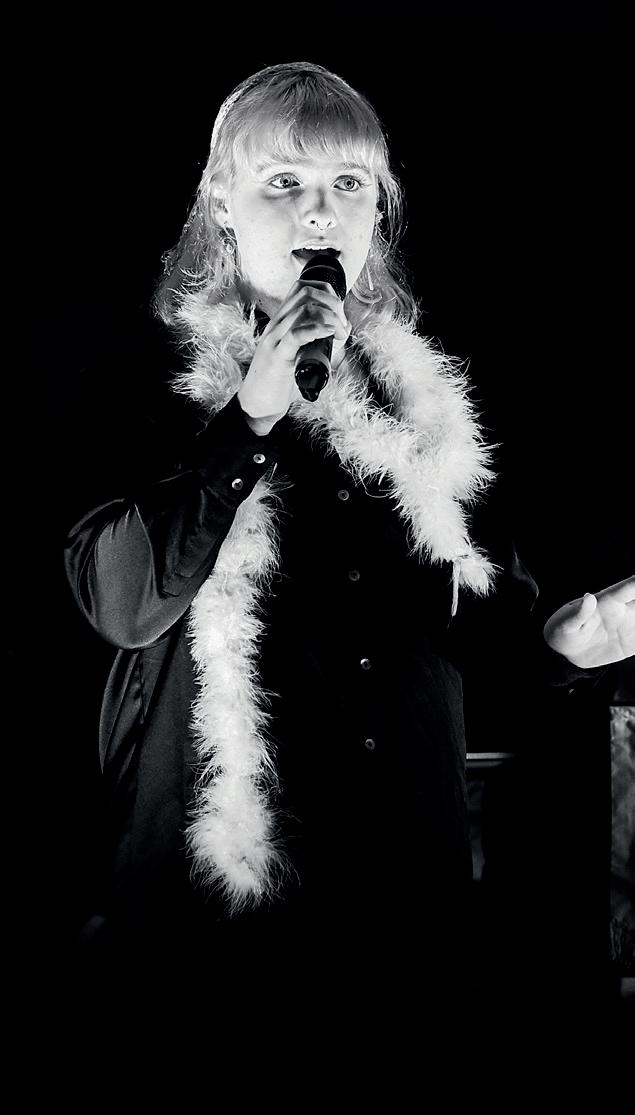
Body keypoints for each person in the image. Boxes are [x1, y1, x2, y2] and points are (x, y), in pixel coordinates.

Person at [64, 62, 634, 1026]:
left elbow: (463, 619)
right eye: (283, 182)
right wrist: (249, 418)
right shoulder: (137, 380)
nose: (320, 212)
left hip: (401, 891)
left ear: (378, 210)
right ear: (221, 204)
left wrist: (561, 643)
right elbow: (124, 603)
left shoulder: (421, 406)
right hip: (216, 914)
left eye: (347, 183)